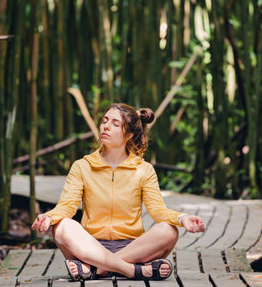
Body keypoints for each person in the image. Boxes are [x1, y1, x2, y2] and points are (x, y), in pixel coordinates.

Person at [31, 103, 205, 281]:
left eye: (115, 124)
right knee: (62, 227)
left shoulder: (144, 169)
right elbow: (67, 206)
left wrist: (182, 218)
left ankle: (97, 269)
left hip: (134, 247)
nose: (106, 126)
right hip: (90, 246)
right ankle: (131, 271)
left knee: (169, 230)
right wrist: (49, 217)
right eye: (105, 121)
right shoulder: (82, 166)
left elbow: (158, 211)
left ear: (129, 135)